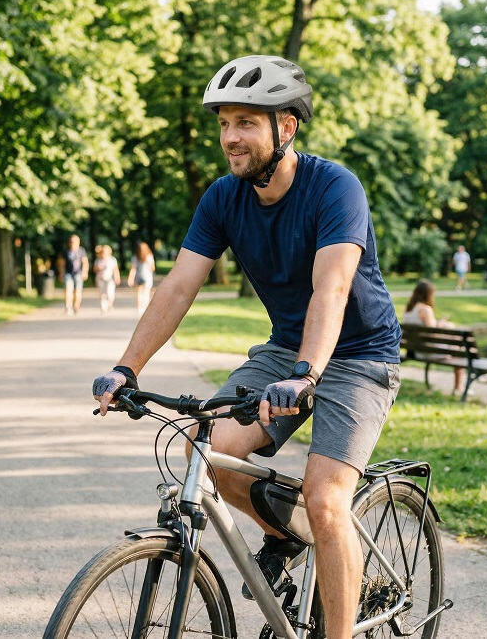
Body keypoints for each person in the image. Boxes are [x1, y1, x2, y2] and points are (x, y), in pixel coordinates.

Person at [92, 55, 401, 637]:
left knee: (326, 499)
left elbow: (330, 288)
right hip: (286, 353)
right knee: (202, 452)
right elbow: (180, 284)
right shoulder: (223, 197)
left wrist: (309, 374)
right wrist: (125, 367)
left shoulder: (335, 188)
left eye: (246, 123)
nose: (230, 137)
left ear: (287, 127)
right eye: (225, 122)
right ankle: (288, 535)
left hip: (360, 358)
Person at [403, 280, 466, 394]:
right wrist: (442, 325)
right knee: (459, 351)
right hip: (430, 352)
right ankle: (458, 388)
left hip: (417, 351)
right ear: (428, 294)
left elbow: (427, 328)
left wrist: (438, 323)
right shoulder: (426, 309)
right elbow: (432, 334)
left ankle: (459, 387)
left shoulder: (408, 309)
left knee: (456, 344)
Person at [63, 234, 89, 315]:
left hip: (78, 274)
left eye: (74, 242)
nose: (72, 243)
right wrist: (61, 273)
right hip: (68, 273)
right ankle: (68, 307)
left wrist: (85, 272)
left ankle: (76, 306)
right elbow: (61, 263)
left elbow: (85, 262)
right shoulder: (66, 251)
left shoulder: (81, 251)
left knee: (78, 292)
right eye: (71, 241)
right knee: (68, 290)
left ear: (78, 242)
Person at [127, 241, 155, 314]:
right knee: (146, 293)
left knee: (139, 293)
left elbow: (133, 269)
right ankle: (145, 308)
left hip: (138, 276)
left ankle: (139, 308)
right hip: (147, 277)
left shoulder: (135, 257)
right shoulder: (149, 256)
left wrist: (130, 279)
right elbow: (153, 268)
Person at [93, 244, 120, 315]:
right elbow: (94, 269)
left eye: (106, 252)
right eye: (103, 252)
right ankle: (103, 308)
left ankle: (110, 305)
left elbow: (115, 269)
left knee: (110, 294)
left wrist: (117, 277)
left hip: (110, 279)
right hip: (100, 279)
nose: (104, 253)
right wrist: (98, 268)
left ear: (109, 252)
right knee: (102, 294)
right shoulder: (98, 260)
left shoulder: (112, 259)